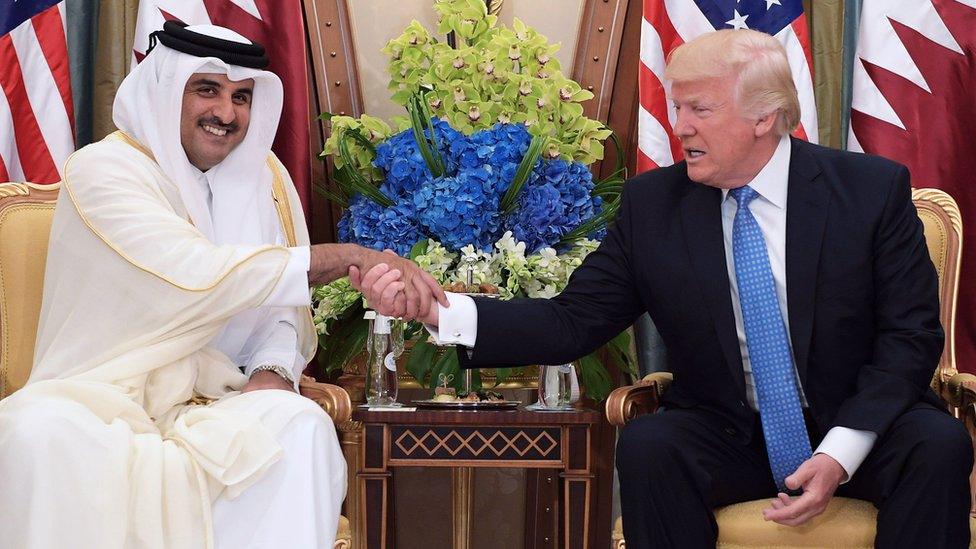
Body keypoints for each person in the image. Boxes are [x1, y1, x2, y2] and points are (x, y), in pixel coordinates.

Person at [353, 29, 972, 548]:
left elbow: (909, 337)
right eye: (676, 108)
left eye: (698, 109)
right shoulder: (655, 206)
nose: (678, 127)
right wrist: (440, 311)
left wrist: (839, 453)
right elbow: (574, 321)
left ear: (765, 116)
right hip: (730, 433)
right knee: (652, 444)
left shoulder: (869, 191)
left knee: (937, 445)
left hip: (857, 426)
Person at [0, 22, 444, 549]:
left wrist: (272, 371)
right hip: (101, 398)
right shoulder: (104, 170)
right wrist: (346, 256)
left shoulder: (265, 179)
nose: (227, 114)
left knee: (299, 426)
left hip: (219, 399)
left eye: (242, 96)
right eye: (206, 89)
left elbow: (281, 312)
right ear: (166, 90)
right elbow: (195, 274)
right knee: (37, 432)